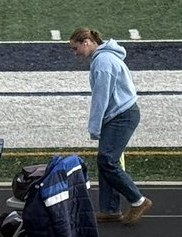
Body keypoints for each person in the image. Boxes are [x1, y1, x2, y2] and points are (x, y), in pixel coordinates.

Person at [70, 28, 152, 225]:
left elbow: (101, 98)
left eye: (76, 48)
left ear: (87, 42)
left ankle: (137, 200)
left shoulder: (102, 63)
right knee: (105, 160)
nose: (75, 53)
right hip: (120, 113)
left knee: (108, 160)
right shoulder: (104, 57)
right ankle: (110, 209)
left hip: (122, 116)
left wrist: (94, 127)